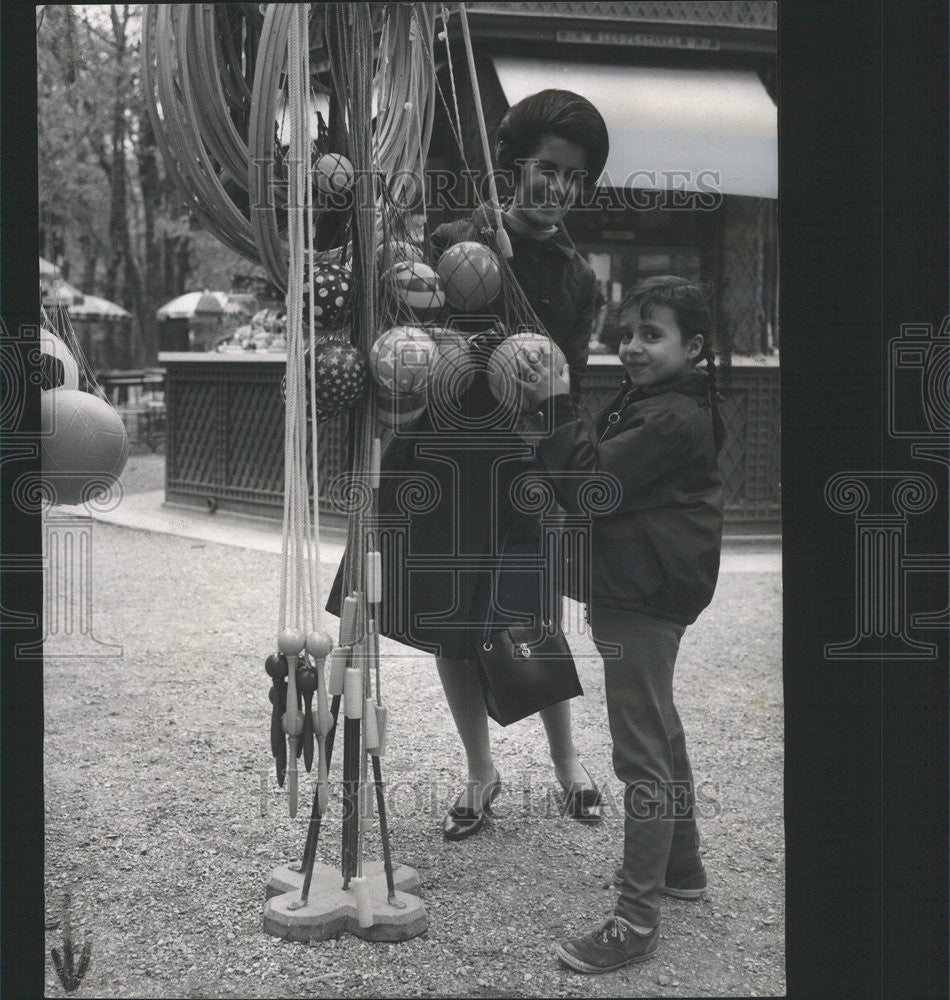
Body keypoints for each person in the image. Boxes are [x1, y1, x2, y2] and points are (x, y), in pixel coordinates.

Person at [327, 89, 610, 839]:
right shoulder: (454, 238)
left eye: (576, 178)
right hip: (443, 457)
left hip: (518, 468)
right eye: (548, 168)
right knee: (451, 626)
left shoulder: (577, 278)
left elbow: (562, 383)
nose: (559, 189)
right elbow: (405, 333)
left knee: (532, 618)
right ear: (515, 167)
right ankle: (480, 775)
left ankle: (566, 765)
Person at [516, 275, 726, 972]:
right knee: (661, 727)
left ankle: (636, 921)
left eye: (652, 334)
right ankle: (683, 868)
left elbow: (590, 485)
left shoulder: (670, 417)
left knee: (639, 751)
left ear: (693, 346)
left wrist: (552, 401)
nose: (633, 347)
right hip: (650, 584)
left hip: (644, 591)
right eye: (628, 333)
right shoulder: (662, 400)